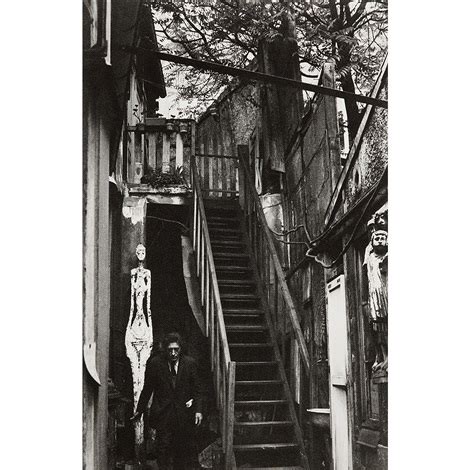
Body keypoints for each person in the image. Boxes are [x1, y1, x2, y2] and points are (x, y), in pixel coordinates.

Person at [131, 332, 204, 470]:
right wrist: (139, 410)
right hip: (163, 414)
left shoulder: (190, 364)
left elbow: (198, 390)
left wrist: (198, 411)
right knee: (163, 449)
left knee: (181, 451)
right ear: (165, 350)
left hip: (183, 415)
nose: (173, 353)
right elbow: (147, 389)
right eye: (170, 350)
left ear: (180, 349)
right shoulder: (155, 364)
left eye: (176, 349)